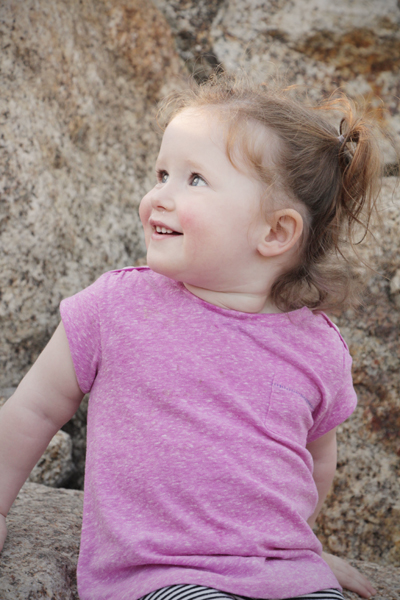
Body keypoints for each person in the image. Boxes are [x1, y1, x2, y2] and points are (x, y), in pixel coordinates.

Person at [0, 74, 383, 600]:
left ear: (275, 232)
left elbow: (315, 464)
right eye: (162, 174)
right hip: (164, 574)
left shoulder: (318, 346)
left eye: (194, 179)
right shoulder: (115, 306)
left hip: (287, 575)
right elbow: (33, 410)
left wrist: (302, 549)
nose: (158, 196)